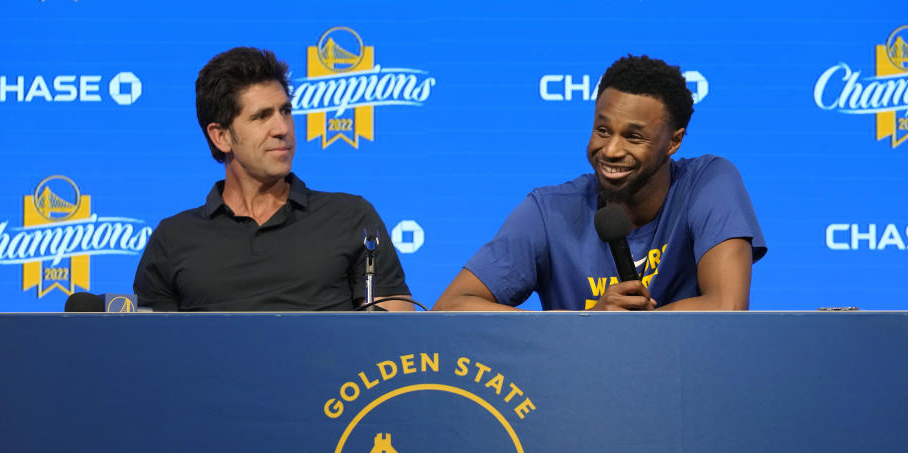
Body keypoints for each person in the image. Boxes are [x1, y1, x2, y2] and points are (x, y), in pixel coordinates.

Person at [433, 54, 766, 311]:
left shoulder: (709, 182)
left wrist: (635, 325)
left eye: (633, 136)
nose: (610, 150)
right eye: (602, 130)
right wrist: (589, 320)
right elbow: (450, 306)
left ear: (674, 142)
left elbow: (727, 306)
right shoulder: (550, 212)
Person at [133, 47, 412, 311]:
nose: (282, 128)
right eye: (261, 116)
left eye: (286, 111)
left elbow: (393, 339)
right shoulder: (173, 240)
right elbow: (152, 350)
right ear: (222, 136)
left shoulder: (350, 218)